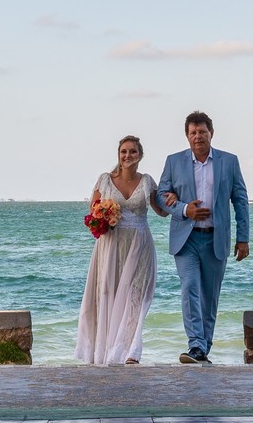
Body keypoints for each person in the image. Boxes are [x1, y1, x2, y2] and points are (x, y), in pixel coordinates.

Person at [157, 110, 249, 365]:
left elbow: (240, 200)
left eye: (202, 132)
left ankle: (203, 348)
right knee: (190, 289)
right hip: (185, 240)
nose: (198, 137)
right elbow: (161, 195)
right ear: (187, 136)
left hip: (215, 239)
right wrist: (185, 208)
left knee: (210, 296)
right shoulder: (174, 162)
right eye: (193, 133)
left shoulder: (229, 162)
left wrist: (243, 238)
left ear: (211, 133)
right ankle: (196, 344)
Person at [74, 134, 170, 365]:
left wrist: (174, 199)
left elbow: (161, 211)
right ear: (118, 155)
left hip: (140, 244)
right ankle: (105, 351)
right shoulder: (105, 180)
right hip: (110, 245)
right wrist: (104, 217)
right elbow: (92, 214)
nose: (128, 156)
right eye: (124, 152)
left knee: (136, 295)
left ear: (140, 155)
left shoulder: (147, 181)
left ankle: (130, 351)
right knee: (107, 294)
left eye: (132, 152)